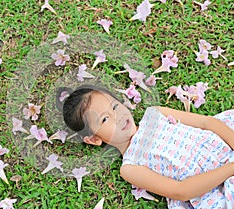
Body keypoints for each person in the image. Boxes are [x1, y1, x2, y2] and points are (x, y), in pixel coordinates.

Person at [56, 84, 234, 208]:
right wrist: (231, 168)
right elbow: (182, 191)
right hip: (214, 188)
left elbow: (206, 122)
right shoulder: (131, 167)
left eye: (115, 106)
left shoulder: (155, 113)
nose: (117, 116)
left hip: (228, 141)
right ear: (94, 139)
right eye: (104, 118)